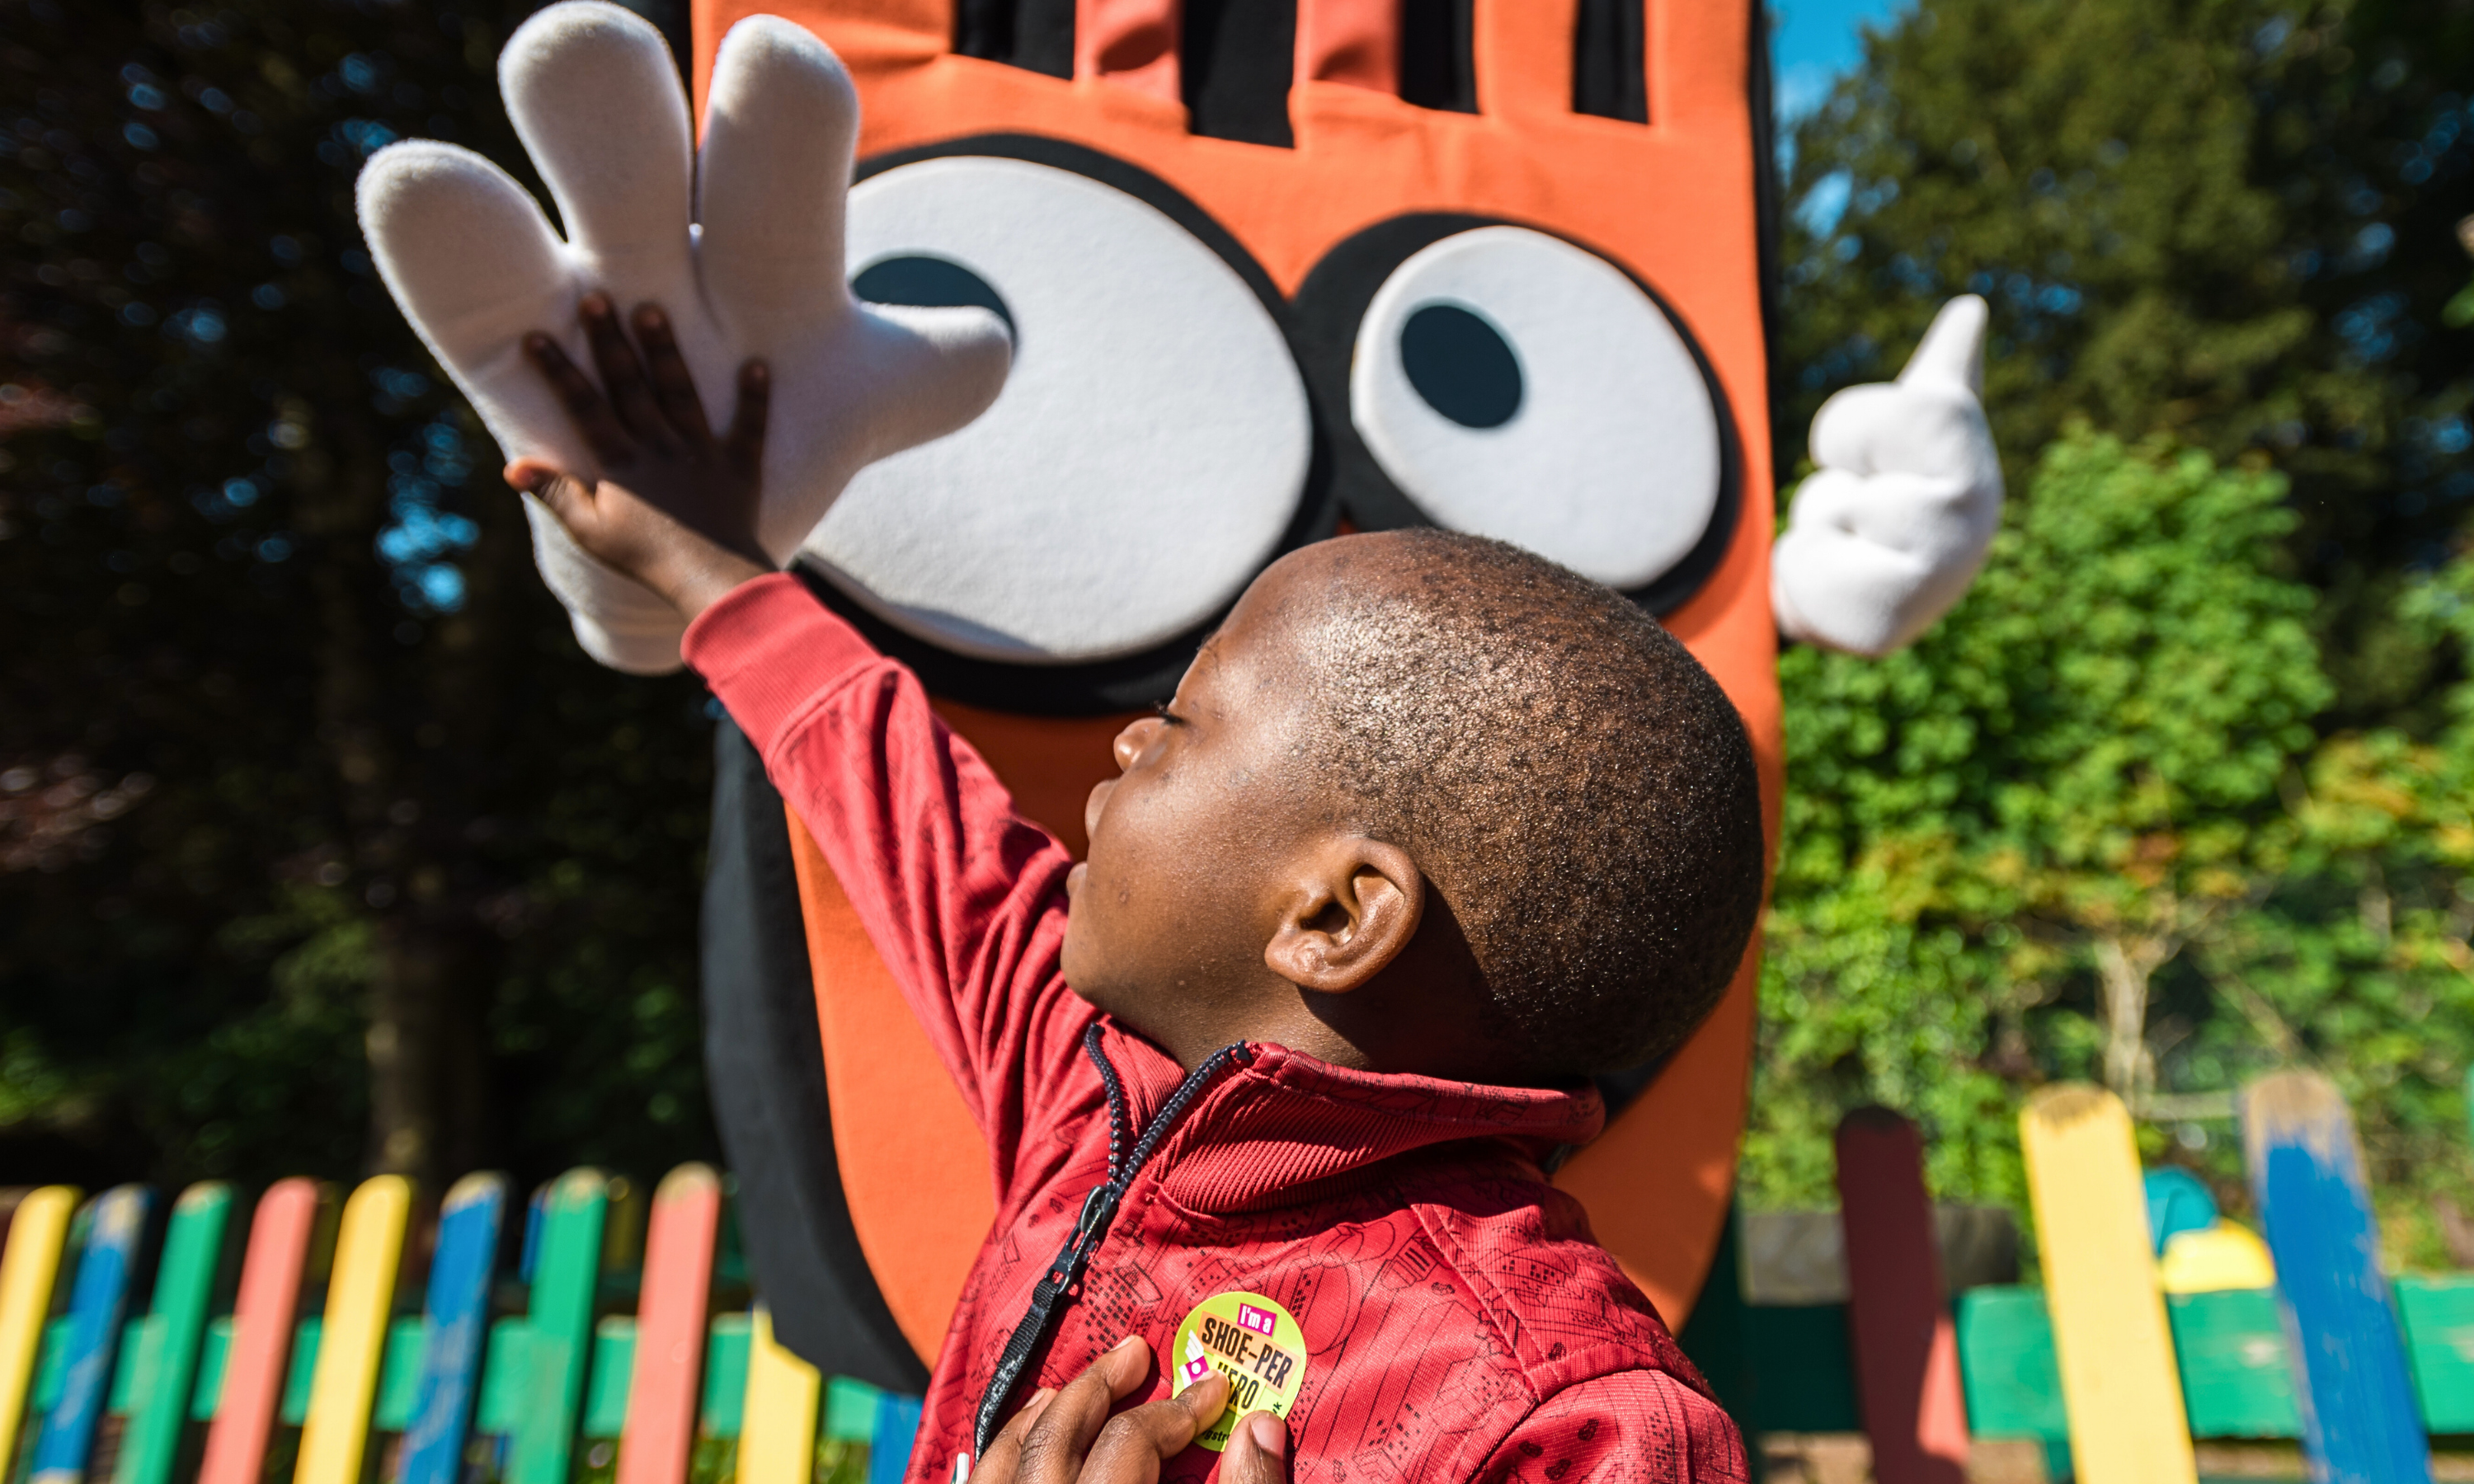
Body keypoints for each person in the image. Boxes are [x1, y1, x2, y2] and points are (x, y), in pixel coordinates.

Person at [508, 293, 1766, 1483]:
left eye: (1183, 717)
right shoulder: (1084, 1085)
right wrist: (714, 576)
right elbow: (917, 822)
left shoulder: (1576, 1422)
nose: (1127, 742)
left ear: (1331, 917)